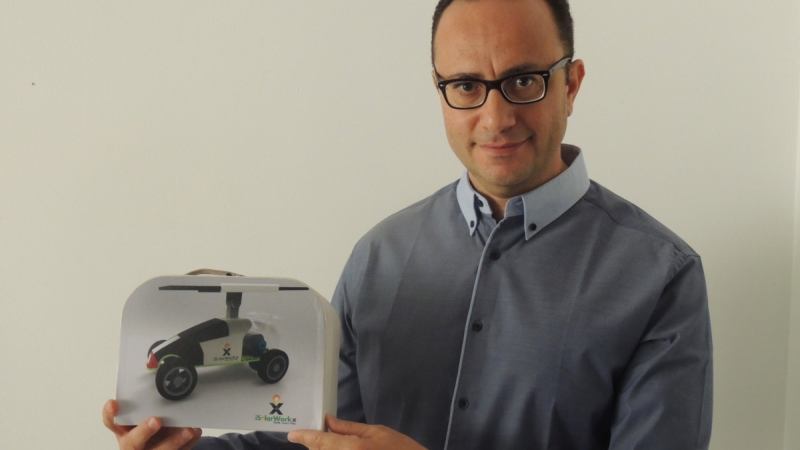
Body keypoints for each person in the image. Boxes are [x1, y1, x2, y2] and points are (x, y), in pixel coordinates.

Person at [103, 0, 713, 449]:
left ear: (571, 85)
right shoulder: (378, 256)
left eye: (524, 81)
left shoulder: (661, 276)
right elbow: (315, 436)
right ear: (441, 93)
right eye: (467, 85)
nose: (496, 117)